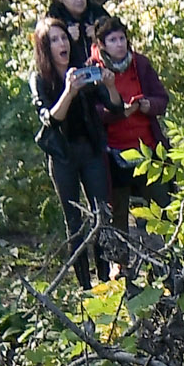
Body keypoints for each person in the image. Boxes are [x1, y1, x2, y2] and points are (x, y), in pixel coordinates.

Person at [32, 17, 121, 288]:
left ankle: (105, 280)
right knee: (75, 221)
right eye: (54, 40)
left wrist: (110, 85)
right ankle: (84, 286)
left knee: (101, 215)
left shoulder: (84, 69)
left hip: (90, 150)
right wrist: (69, 92)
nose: (62, 44)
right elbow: (50, 118)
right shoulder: (39, 79)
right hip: (62, 156)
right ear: (45, 48)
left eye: (64, 38)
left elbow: (115, 109)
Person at [92, 16, 172, 236]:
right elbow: (92, 113)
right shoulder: (93, 70)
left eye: (122, 38)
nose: (119, 44)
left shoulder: (140, 64)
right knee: (117, 212)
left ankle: (164, 256)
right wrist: (117, 112)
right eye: (113, 40)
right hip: (113, 154)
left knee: (161, 204)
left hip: (146, 147)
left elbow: (162, 99)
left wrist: (148, 105)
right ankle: (121, 263)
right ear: (102, 44)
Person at [44, 0, 110, 64]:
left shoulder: (97, 13)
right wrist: (66, 40)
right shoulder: (52, 20)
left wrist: (100, 37)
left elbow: (121, 47)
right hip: (69, 74)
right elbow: (45, 57)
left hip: (101, 71)